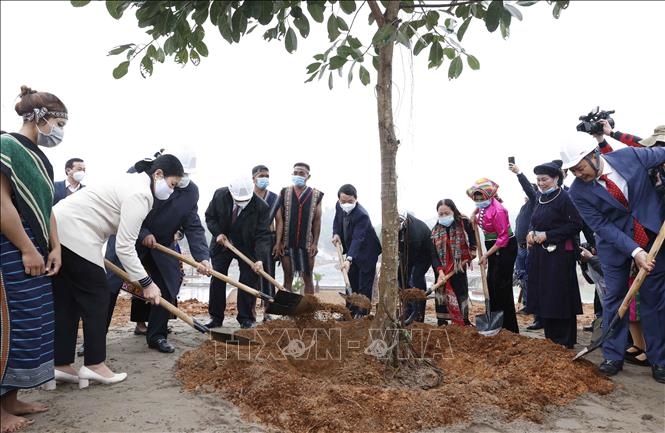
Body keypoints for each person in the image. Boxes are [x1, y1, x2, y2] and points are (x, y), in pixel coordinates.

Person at [51, 154, 183, 388]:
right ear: (159, 174)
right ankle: (94, 365)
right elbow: (124, 246)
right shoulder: (140, 194)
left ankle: (61, 365)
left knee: (68, 301)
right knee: (99, 296)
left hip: (59, 226)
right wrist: (147, 283)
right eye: (172, 184)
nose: (171, 191)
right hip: (77, 233)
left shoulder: (131, 182)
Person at [560, 138, 665, 383]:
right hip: (614, 246)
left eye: (579, 167)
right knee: (614, 297)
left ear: (594, 154)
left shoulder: (631, 157)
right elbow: (602, 226)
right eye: (572, 170)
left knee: (654, 301)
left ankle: (659, 360)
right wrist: (635, 252)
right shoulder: (578, 191)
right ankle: (612, 355)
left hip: (653, 236)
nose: (577, 173)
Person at [1, 86, 67, 433]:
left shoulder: (42, 158)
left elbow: (47, 209)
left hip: (38, 244)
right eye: (58, 121)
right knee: (8, 327)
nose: (59, 130)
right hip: (12, 246)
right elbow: (2, 204)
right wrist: (27, 247)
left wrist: (53, 247)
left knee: (33, 324)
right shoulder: (7, 146)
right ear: (40, 118)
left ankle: (12, 400)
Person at [105, 149, 211, 353]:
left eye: (186, 175)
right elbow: (124, 206)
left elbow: (193, 224)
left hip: (162, 242)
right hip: (128, 237)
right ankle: (95, 337)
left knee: (168, 283)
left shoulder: (191, 192)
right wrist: (143, 232)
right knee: (110, 284)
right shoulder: (141, 176)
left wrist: (202, 257)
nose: (181, 180)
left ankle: (157, 335)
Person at [525, 161, 583, 348]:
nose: (541, 183)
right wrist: (531, 233)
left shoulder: (564, 197)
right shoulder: (540, 199)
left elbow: (576, 224)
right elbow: (536, 221)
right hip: (541, 255)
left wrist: (548, 235)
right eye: (539, 180)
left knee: (559, 294)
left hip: (559, 255)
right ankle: (551, 338)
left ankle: (564, 339)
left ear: (556, 178)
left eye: (545, 179)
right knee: (545, 294)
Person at [204, 176, 271, 329]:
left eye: (244, 201)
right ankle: (215, 317)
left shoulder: (261, 207)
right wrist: (218, 233)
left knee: (248, 278)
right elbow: (210, 217)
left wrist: (260, 259)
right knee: (218, 277)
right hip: (222, 242)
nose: (241, 204)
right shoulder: (220, 195)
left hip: (247, 245)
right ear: (231, 193)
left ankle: (245, 317)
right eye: (238, 201)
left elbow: (263, 235)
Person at [466, 178, 519, 334]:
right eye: (476, 199)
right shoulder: (483, 207)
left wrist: (486, 256)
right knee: (491, 284)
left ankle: (509, 327)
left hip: (505, 247)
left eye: (481, 198)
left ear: (488, 196)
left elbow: (503, 238)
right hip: (492, 246)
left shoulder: (499, 210)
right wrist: (473, 215)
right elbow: (479, 213)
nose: (478, 201)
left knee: (501, 286)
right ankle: (495, 322)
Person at [332, 184, 382, 317]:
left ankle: (362, 314)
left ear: (356, 199)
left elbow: (357, 238)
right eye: (343, 201)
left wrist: (348, 259)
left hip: (367, 252)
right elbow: (337, 220)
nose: (346, 204)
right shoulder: (339, 205)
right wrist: (336, 233)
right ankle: (349, 312)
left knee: (364, 286)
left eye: (350, 201)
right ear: (339, 200)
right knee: (351, 282)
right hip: (352, 252)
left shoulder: (362, 215)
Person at [275, 163, 324, 295]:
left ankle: (309, 310)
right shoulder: (284, 192)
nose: (298, 175)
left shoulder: (316, 195)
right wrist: (278, 242)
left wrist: (315, 243)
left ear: (308, 176)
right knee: (288, 278)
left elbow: (317, 221)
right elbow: (279, 219)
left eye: (301, 173)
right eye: (295, 173)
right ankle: (289, 310)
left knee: (308, 278)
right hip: (287, 243)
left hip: (307, 244)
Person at [430, 199, 476, 326]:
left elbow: (473, 238)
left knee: (460, 291)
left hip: (459, 265)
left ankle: (463, 320)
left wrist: (473, 251)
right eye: (441, 214)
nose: (444, 216)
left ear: (453, 211)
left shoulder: (463, 223)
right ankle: (442, 321)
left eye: (446, 213)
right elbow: (433, 254)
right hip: (442, 269)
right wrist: (439, 271)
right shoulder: (435, 231)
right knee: (441, 294)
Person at [508, 162, 541, 328]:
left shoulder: (536, 202)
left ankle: (536, 312)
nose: (526, 193)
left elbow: (529, 189)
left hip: (530, 248)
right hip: (520, 247)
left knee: (531, 278)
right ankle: (529, 304)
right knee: (522, 277)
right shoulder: (524, 206)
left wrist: (519, 173)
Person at [251, 165, 282, 317]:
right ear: (253, 178)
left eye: (267, 176)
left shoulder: (274, 198)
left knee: (268, 274)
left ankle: (267, 311)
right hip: (250, 239)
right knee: (250, 274)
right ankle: (249, 311)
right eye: (261, 175)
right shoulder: (247, 195)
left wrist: (278, 242)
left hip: (268, 239)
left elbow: (279, 221)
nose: (264, 179)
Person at [397, 211, 433, 323]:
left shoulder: (414, 232)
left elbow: (410, 260)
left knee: (415, 277)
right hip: (408, 251)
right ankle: (408, 309)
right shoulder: (389, 227)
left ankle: (418, 314)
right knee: (400, 278)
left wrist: (406, 279)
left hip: (424, 254)